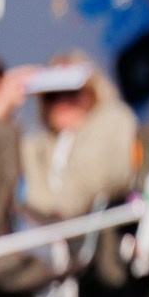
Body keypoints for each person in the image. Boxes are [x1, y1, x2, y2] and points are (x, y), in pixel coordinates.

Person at [17, 55, 139, 220]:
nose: (62, 103)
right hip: (57, 235)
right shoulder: (39, 143)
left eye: (71, 92)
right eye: (51, 96)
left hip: (106, 232)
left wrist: (48, 210)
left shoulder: (113, 118)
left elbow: (94, 182)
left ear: (93, 91)